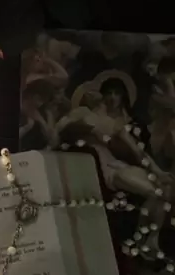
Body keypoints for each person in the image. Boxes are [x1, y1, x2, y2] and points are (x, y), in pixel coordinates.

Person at [56, 91, 174, 253]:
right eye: (89, 92)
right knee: (154, 193)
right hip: (107, 170)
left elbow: (137, 151)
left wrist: (157, 171)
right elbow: (62, 130)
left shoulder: (114, 123)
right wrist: (92, 130)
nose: (92, 93)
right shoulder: (81, 113)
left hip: (119, 165)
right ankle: (141, 240)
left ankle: (152, 238)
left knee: (164, 191)